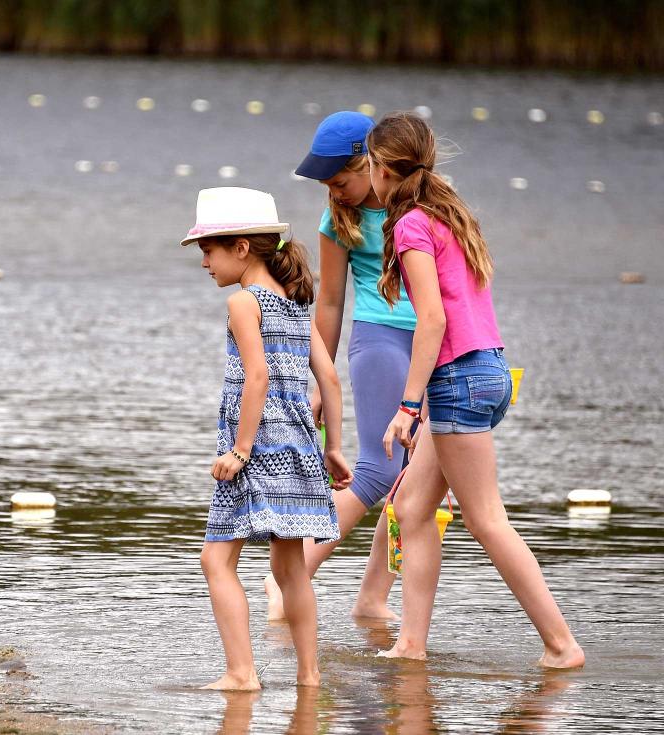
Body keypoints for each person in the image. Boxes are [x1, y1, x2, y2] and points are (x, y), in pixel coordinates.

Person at [365, 113, 584, 668]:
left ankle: (562, 646)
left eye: (369, 165)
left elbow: (432, 322)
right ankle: (411, 643)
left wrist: (408, 406)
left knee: (485, 518)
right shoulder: (449, 214)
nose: (368, 175)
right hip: (489, 371)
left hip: (457, 378)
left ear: (385, 169)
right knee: (412, 505)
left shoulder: (414, 223)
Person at [183, 187, 351, 690]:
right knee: (289, 566)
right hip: (299, 447)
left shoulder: (243, 302)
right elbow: (331, 380)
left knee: (216, 558)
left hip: (255, 451)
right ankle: (309, 675)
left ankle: (241, 673)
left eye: (209, 251)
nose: (205, 263)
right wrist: (334, 447)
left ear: (241, 249)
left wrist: (239, 450)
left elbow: (255, 378)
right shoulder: (296, 305)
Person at [265, 111, 414, 622]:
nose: (337, 190)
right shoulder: (338, 219)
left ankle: (374, 596)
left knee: (416, 485)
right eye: (328, 183)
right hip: (378, 339)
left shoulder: (420, 207)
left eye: (341, 179)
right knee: (378, 470)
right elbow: (329, 302)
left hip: (439, 345)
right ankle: (291, 576)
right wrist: (320, 381)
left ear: (372, 162)